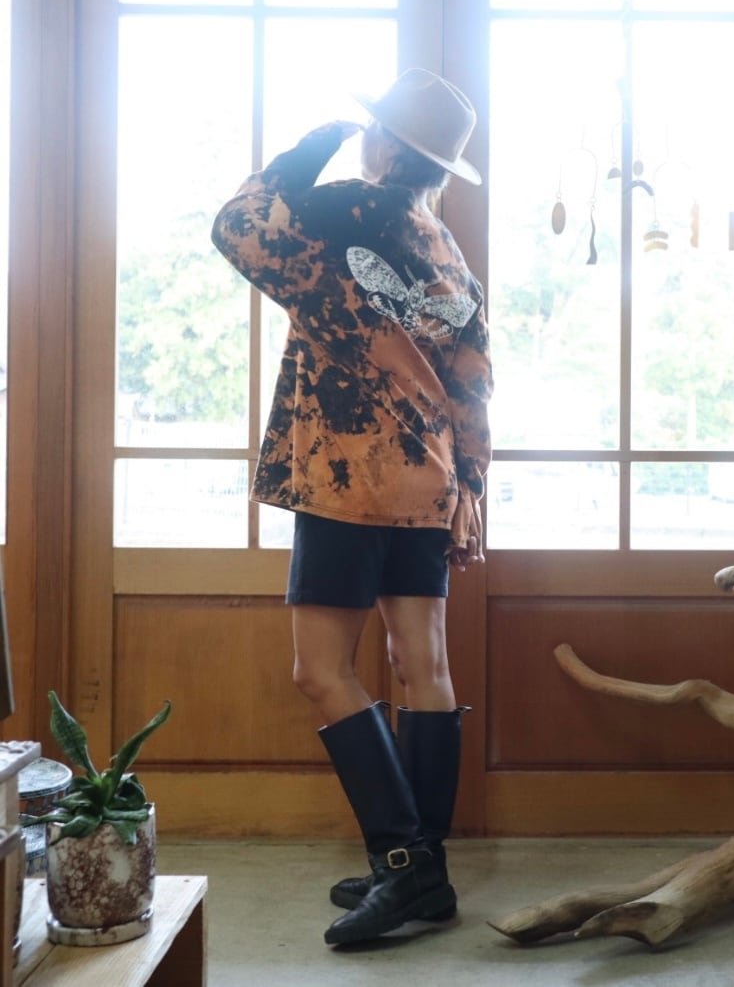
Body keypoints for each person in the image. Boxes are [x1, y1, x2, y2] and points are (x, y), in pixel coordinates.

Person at [211, 68, 492, 946]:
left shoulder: (347, 212)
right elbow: (474, 379)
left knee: (321, 669)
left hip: (347, 476)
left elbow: (239, 229)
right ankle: (425, 871)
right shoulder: (444, 248)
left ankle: (401, 863)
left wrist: (304, 151)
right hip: (428, 480)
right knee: (423, 663)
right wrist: (472, 486)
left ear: (383, 143)